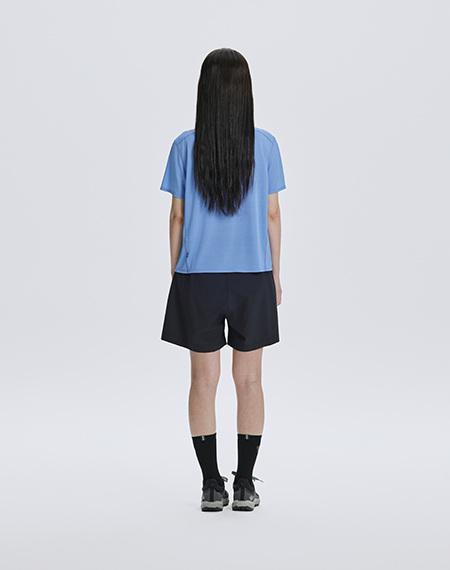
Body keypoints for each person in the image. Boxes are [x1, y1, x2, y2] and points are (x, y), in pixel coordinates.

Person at [160, 48, 286, 512]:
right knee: (249, 380)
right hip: (252, 275)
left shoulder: (184, 145)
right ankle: (246, 485)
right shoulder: (265, 145)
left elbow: (177, 216)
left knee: (202, 381)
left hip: (199, 278)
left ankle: (211, 485)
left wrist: (177, 272)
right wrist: (275, 274)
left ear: (205, 92)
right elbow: (272, 214)